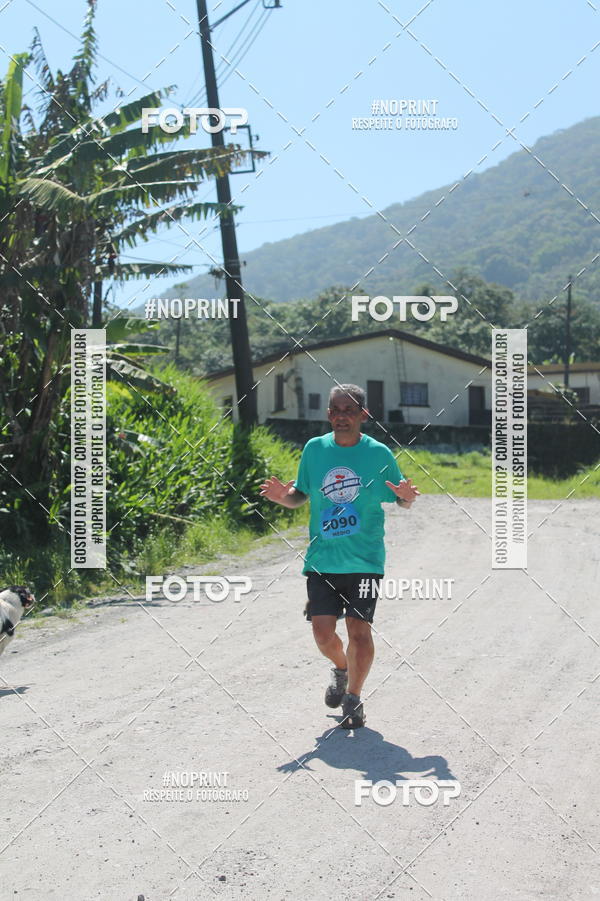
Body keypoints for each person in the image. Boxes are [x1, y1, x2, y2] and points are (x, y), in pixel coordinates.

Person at [260, 384, 419, 729]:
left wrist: (408, 498)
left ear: (363, 415)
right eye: (336, 410)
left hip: (365, 561)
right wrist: (280, 498)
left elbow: (400, 499)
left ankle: (353, 698)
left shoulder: (378, 455)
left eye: (349, 410)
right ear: (328, 414)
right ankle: (341, 670)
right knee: (322, 633)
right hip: (323, 560)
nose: (342, 416)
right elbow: (300, 495)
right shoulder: (314, 450)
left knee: (359, 632)